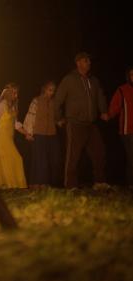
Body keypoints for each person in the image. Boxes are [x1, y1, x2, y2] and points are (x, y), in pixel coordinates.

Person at [54, 52, 109, 189]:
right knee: (73, 156)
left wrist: (103, 111)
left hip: (91, 124)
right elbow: (58, 99)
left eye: (89, 60)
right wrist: (58, 117)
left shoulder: (94, 80)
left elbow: (100, 96)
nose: (89, 63)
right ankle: (71, 185)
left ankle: (99, 182)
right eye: (86, 60)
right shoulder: (69, 79)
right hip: (75, 123)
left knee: (99, 152)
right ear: (78, 63)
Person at [0, 83, 28, 189]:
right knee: (16, 158)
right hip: (1, 137)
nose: (16, 95)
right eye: (13, 93)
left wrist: (26, 133)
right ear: (8, 93)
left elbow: (15, 124)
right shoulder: (1, 105)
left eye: (16, 93)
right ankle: (14, 185)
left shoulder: (13, 107)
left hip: (9, 138)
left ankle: (2, 185)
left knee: (1, 161)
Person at [23, 81, 61, 188]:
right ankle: (38, 183)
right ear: (45, 89)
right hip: (38, 133)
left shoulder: (53, 102)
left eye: (53, 90)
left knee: (51, 159)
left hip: (51, 134)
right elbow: (31, 116)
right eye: (50, 90)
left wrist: (59, 122)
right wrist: (28, 133)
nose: (52, 92)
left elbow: (54, 117)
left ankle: (44, 182)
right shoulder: (36, 101)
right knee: (39, 159)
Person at [108, 66, 133, 188]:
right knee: (131, 156)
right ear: (128, 76)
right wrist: (108, 115)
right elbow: (114, 106)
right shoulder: (122, 90)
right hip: (127, 130)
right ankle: (130, 184)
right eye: (132, 74)